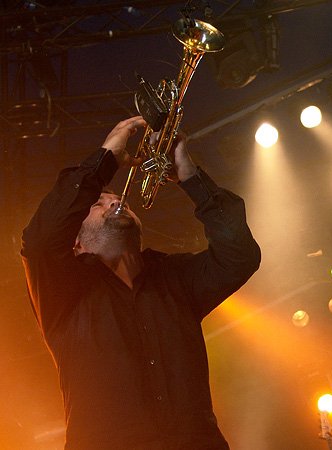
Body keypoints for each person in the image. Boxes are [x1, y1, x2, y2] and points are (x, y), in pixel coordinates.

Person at [21, 116, 261, 450]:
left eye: (120, 200)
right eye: (98, 203)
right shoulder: (64, 289)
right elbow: (40, 242)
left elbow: (240, 255)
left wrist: (189, 175)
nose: (116, 202)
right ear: (74, 241)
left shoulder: (175, 277)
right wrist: (104, 162)